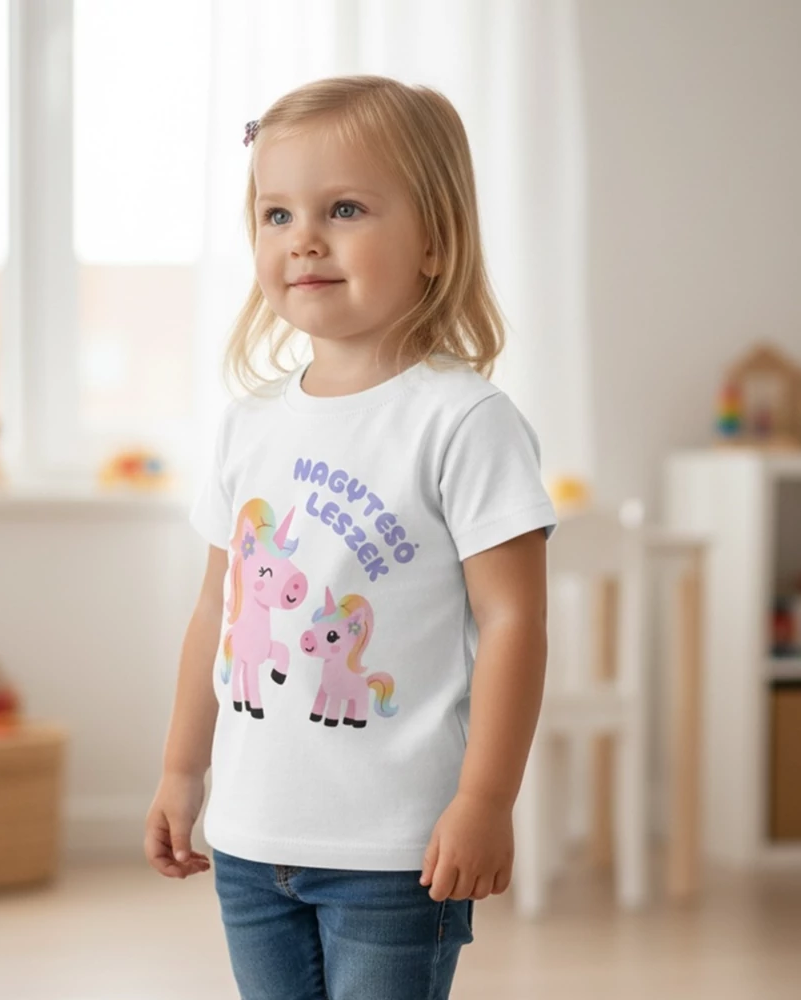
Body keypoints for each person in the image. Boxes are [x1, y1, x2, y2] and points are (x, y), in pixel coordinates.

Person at [145, 74, 558, 1000]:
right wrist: (181, 770)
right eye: (277, 214)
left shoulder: (464, 421)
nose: (303, 238)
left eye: (343, 209)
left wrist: (485, 800)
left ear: (434, 242)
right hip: (250, 844)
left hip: (396, 852)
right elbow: (216, 613)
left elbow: (515, 625)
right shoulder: (247, 425)